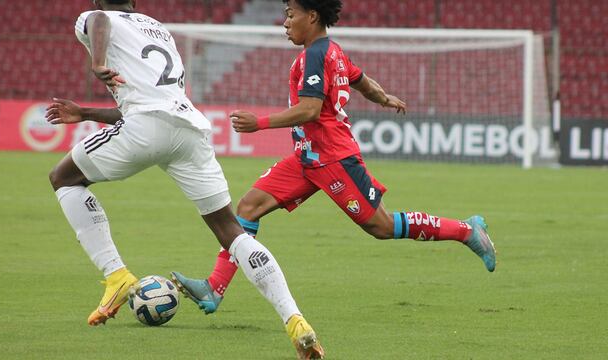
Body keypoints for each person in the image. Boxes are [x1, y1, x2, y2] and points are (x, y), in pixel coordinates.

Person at [172, 0, 497, 317]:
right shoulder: (332, 52)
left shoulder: (316, 54)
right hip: (306, 159)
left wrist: (259, 123)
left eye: (290, 14)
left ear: (311, 16)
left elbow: (311, 109)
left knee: (381, 226)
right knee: (248, 207)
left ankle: (466, 231)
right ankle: (214, 288)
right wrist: (384, 98)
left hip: (334, 159)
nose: (285, 23)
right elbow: (361, 81)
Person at [46, 1, 324, 358]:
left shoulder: (96, 18)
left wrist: (97, 62)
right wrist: (84, 112)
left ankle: (116, 277)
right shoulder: (158, 28)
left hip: (147, 126)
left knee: (64, 178)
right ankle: (295, 320)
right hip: (189, 129)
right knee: (231, 231)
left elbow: (100, 20)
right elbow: (148, 103)